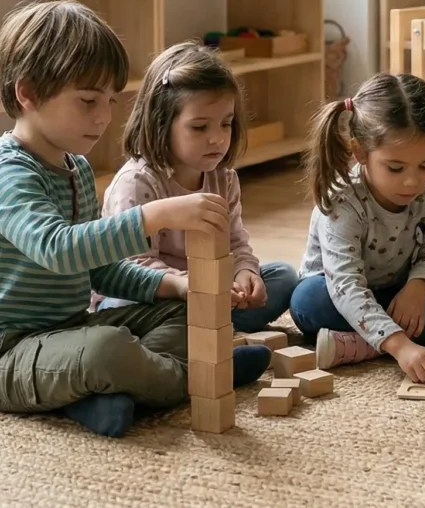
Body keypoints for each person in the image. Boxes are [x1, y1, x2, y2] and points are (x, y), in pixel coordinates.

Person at [0, 0, 231, 438]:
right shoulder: (8, 172)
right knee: (106, 351)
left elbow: (98, 270)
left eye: (109, 100)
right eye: (88, 101)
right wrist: (155, 215)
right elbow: (59, 250)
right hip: (11, 350)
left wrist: (173, 286)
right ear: (26, 93)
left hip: (70, 330)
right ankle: (200, 380)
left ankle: (102, 397)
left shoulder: (77, 169)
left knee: (181, 314)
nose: (105, 117)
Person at [100, 41, 298, 383]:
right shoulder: (137, 184)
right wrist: (190, 285)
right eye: (199, 127)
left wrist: (243, 274)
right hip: (152, 297)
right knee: (123, 312)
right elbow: (133, 265)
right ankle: (207, 359)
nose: (217, 139)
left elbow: (236, 242)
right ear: (162, 122)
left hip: (207, 292)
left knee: (282, 276)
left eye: (226, 124)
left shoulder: (224, 179)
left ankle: (209, 335)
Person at [289, 72, 425, 384]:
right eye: (395, 168)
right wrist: (401, 346)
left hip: (397, 293)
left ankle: (357, 345)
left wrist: (417, 288)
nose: (412, 181)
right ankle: (423, 335)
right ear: (360, 152)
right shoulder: (344, 202)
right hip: (338, 294)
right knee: (305, 301)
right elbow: (345, 285)